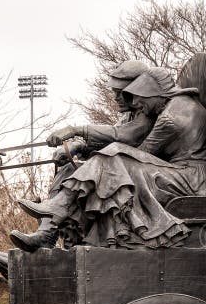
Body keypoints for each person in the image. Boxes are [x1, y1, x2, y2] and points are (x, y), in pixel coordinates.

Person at [15, 67, 206, 250]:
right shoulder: (168, 106)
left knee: (115, 159)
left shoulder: (170, 116)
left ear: (155, 94)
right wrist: (82, 148)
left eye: (140, 98)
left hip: (191, 177)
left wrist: (80, 134)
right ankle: (48, 232)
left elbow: (136, 151)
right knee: (77, 167)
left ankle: (59, 208)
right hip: (178, 172)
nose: (135, 102)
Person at [10, 60, 153, 251]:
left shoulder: (148, 113)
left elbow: (124, 136)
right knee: (69, 168)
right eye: (115, 92)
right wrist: (78, 146)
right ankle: (46, 234)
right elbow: (113, 137)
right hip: (123, 169)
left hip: (143, 174)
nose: (116, 97)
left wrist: (75, 130)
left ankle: (55, 221)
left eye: (121, 93)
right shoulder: (130, 115)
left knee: (90, 168)